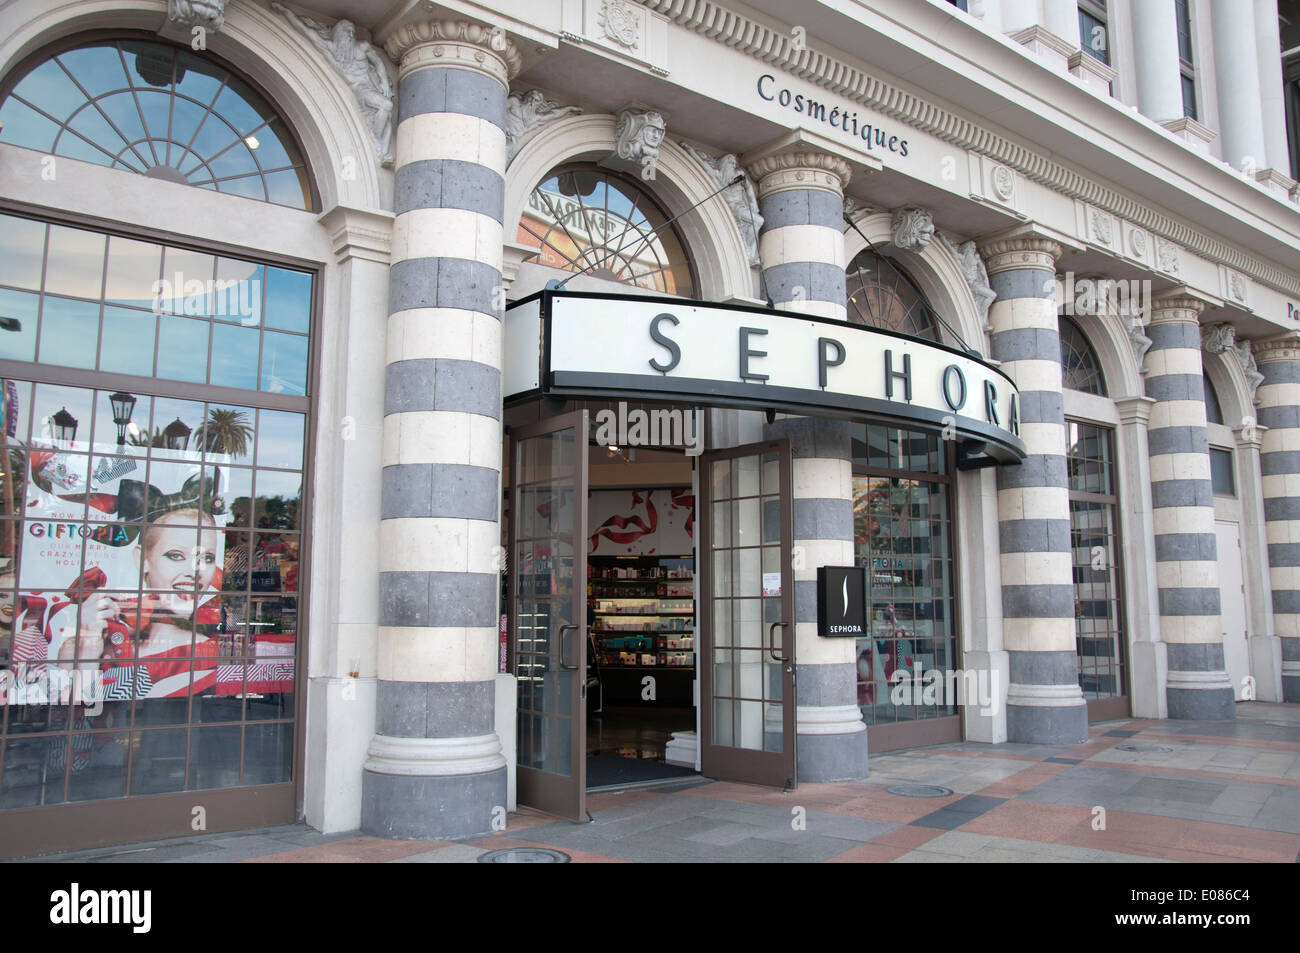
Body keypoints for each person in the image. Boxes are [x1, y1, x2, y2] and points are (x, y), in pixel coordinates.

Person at [59, 508, 222, 699]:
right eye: (176, 555)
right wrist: (88, 647)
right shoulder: (80, 644)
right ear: (142, 559)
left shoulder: (203, 652)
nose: (195, 571)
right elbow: (67, 718)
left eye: (207, 558)